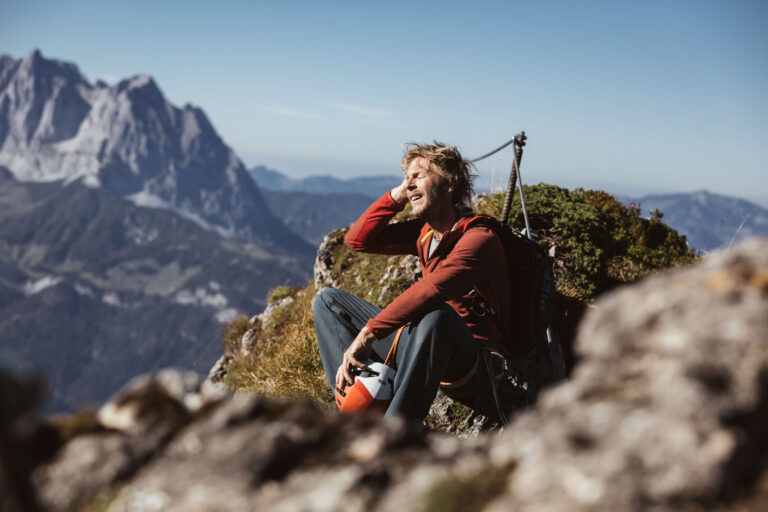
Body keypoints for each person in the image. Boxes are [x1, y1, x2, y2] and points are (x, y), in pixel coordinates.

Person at [313, 142, 511, 421]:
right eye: (407, 177)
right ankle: (356, 408)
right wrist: (398, 196)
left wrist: (368, 333)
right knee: (328, 301)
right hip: (425, 343)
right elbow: (357, 240)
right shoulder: (425, 233)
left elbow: (433, 289)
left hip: (474, 362)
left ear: (450, 183)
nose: (410, 183)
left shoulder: (479, 240)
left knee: (437, 315)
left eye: (419, 175)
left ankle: (396, 432)